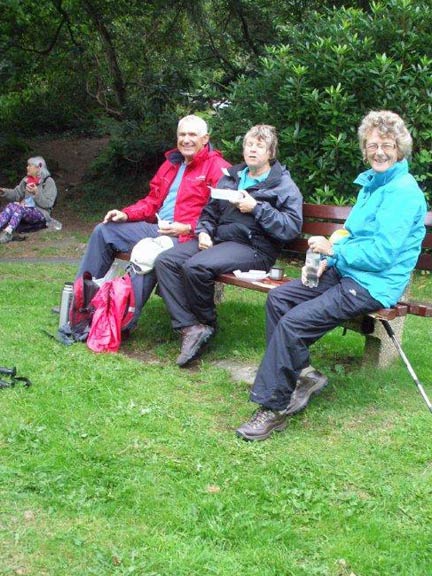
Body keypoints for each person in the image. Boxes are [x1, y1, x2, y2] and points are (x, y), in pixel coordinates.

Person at [236, 110, 427, 441]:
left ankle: (273, 409)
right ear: (364, 149)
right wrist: (331, 259)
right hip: (347, 272)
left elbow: (382, 254)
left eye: (387, 145)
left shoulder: (404, 192)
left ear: (400, 148)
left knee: (294, 325)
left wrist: (334, 252)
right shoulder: (373, 183)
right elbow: (351, 233)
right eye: (372, 145)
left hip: (373, 284)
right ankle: (304, 375)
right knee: (280, 298)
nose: (379, 151)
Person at [155, 124, 303, 367]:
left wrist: (257, 208)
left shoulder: (282, 185)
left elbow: (290, 228)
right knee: (166, 261)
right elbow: (209, 211)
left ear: (270, 152)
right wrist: (203, 232)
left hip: (254, 248)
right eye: (249, 145)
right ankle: (190, 327)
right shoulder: (231, 177)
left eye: (259, 146)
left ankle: (207, 323)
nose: (252, 150)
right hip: (219, 241)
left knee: (195, 267)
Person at [76, 114, 230, 330]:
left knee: (148, 255)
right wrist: (126, 214)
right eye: (182, 134)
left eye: (192, 134)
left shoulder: (218, 168)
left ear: (205, 139)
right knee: (104, 231)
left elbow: (223, 214)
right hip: (157, 227)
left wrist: (188, 227)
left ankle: (120, 322)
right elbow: (152, 201)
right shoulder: (171, 163)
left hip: (186, 237)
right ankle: (82, 305)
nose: (186, 139)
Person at [0, 156, 57, 243]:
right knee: (11, 205)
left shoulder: (48, 182)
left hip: (41, 213)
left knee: (19, 208)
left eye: (30, 165)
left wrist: (36, 193)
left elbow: (48, 204)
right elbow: (16, 194)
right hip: (26, 210)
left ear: (38, 167)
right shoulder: (26, 180)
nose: (27, 167)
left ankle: (8, 233)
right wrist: (3, 192)